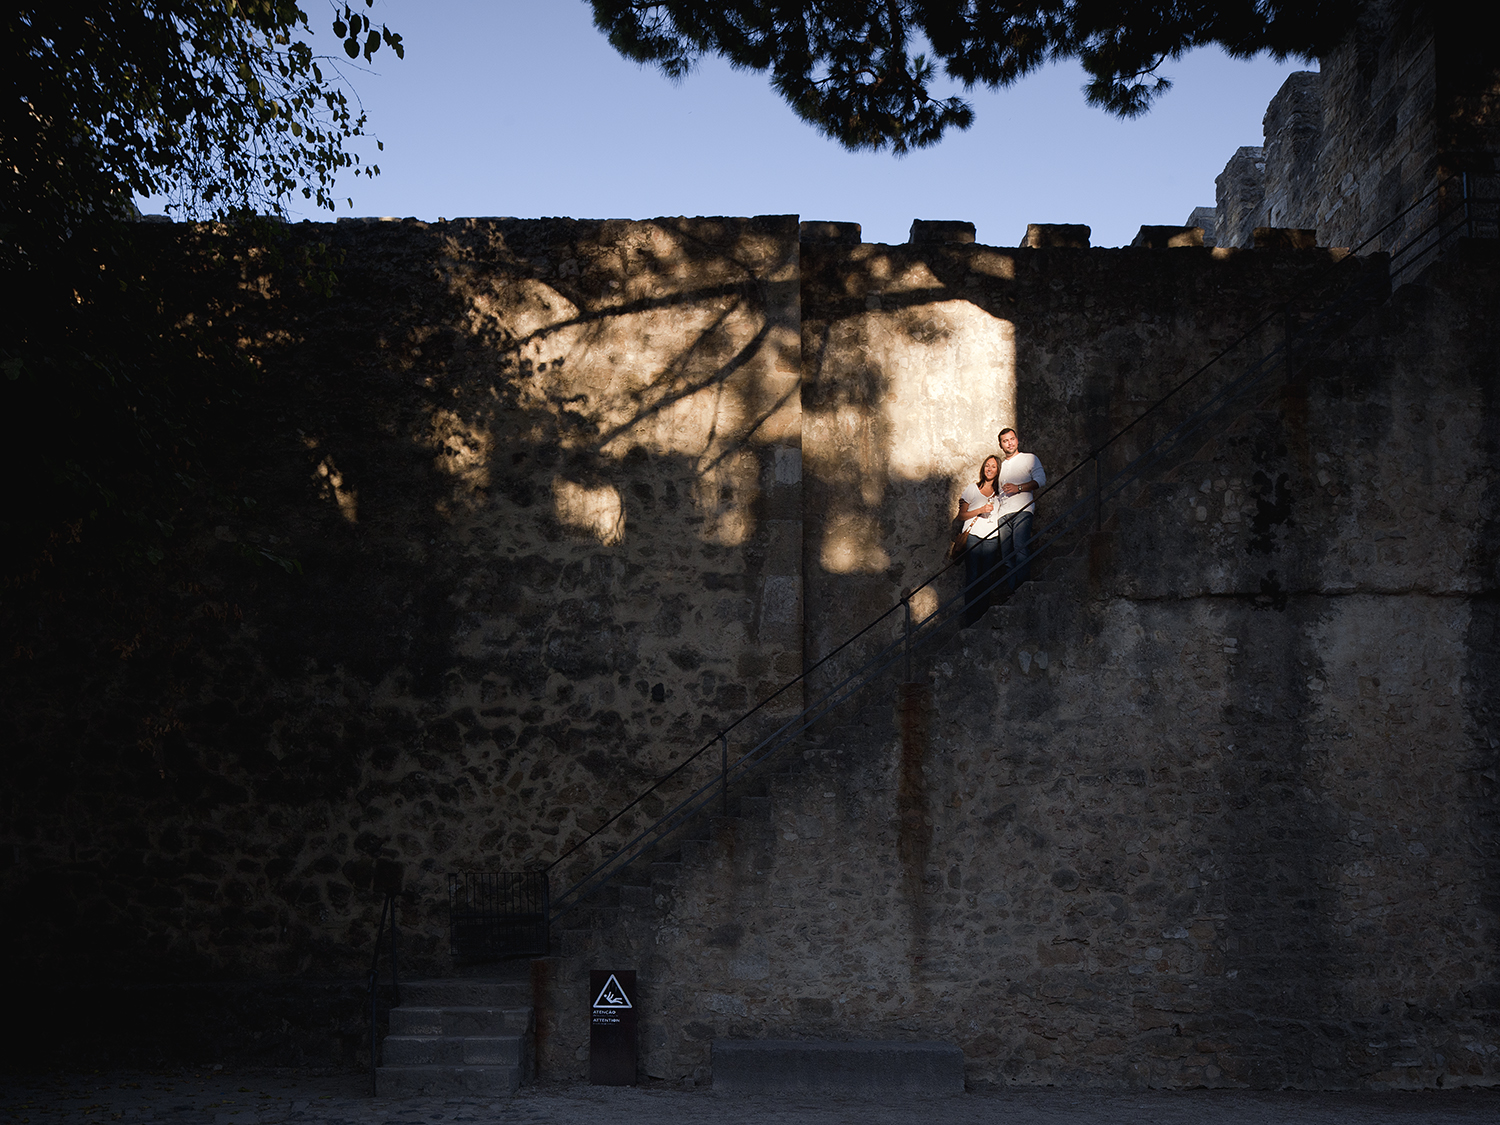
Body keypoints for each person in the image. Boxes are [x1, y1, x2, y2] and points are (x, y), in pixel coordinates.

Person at [995, 427, 1045, 593]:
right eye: (1005, 441)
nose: (1009, 443)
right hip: (1002, 514)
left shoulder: (1029, 458)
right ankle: (1012, 592)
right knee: (1007, 556)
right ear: (1001, 445)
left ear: (1017, 440)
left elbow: (1041, 480)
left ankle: (1022, 590)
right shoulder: (1000, 466)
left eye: (1012, 439)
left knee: (1020, 549)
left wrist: (1019, 487)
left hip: (1023, 509)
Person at [957, 454, 1003, 626]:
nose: (989, 469)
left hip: (992, 537)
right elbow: (961, 515)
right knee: (973, 576)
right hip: (974, 537)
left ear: (998, 470)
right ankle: (970, 618)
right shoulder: (972, 489)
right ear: (983, 468)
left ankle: (982, 618)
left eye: (993, 466)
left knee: (986, 578)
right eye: (987, 466)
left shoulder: (1000, 493)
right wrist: (980, 510)